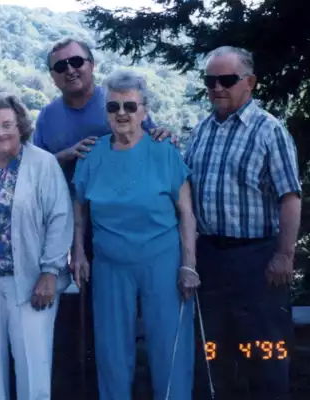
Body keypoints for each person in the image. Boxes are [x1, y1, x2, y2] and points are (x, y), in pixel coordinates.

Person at [32, 37, 173, 398]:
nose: (71, 69)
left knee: (158, 321)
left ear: (92, 64)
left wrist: (161, 134)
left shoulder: (114, 98)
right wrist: (66, 154)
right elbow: (33, 170)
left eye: (76, 61)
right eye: (60, 66)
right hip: (81, 231)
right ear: (53, 76)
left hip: (140, 231)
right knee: (104, 326)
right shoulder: (48, 116)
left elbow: (149, 136)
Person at [71, 69, 199, 400]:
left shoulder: (165, 151)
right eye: (113, 107)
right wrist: (79, 254)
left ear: (144, 109)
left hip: (162, 261)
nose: (122, 114)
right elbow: (79, 210)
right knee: (111, 349)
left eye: (130, 106)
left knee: (169, 345)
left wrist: (189, 264)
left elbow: (186, 213)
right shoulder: (92, 154)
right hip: (110, 263)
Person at [186, 46, 301, 400]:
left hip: (257, 260)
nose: (217, 87)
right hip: (210, 259)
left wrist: (284, 255)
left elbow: (290, 197)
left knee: (265, 353)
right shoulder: (201, 130)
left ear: (249, 83)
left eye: (227, 79)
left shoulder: (270, 131)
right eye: (210, 80)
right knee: (212, 353)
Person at [0, 93, 73, 400]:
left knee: (32, 366)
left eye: (7, 124)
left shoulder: (42, 162)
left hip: (30, 281)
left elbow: (60, 218)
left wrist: (50, 271)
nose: (0, 133)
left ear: (21, 125)